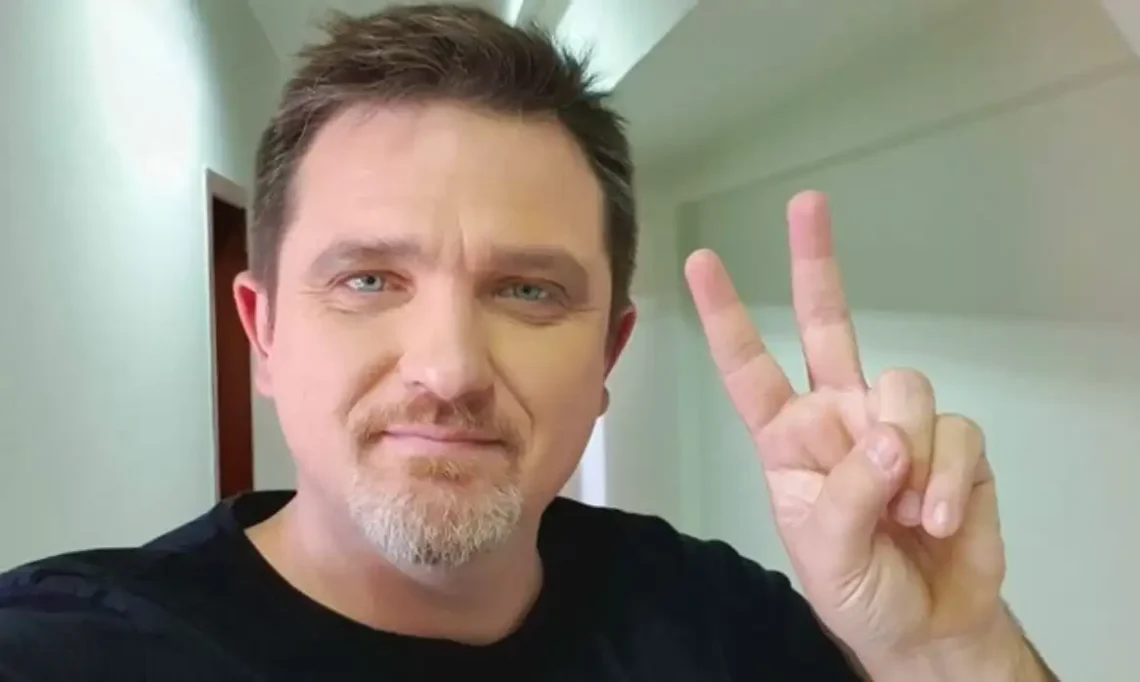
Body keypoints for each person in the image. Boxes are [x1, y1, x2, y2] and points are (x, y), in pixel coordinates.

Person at [0, 4, 1058, 681]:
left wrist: (950, 648)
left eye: (527, 290)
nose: (450, 368)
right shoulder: (82, 644)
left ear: (607, 359)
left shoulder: (714, 618)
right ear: (263, 333)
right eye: (369, 280)